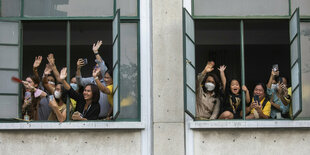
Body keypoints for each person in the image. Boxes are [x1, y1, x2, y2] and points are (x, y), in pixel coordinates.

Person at [75, 40, 110, 118]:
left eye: (97, 67)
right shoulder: (91, 80)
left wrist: (96, 52)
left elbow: (102, 65)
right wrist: (78, 68)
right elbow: (79, 81)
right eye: (95, 66)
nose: (95, 68)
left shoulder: (107, 81)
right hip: (92, 117)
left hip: (106, 118)